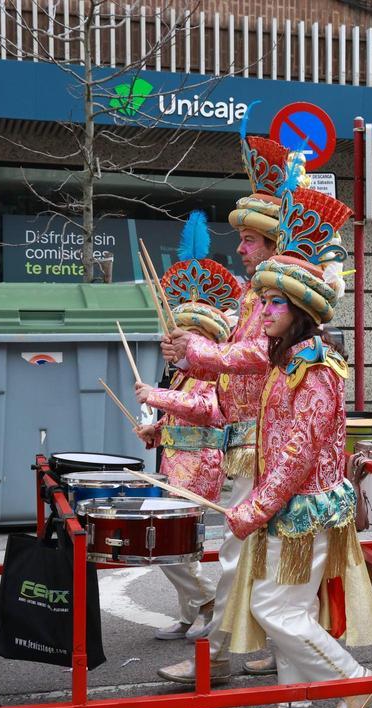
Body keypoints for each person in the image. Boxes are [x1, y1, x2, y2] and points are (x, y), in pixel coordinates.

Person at [221, 183, 372, 708]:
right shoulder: (284, 361)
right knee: (290, 608)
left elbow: (299, 451)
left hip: (302, 510)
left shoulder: (314, 370)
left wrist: (255, 508)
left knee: (276, 608)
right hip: (287, 509)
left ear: (300, 314)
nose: (262, 311)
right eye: (262, 300)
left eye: (275, 304)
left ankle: (352, 679)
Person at [156, 108, 300, 684]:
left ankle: (214, 657)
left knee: (241, 554)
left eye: (247, 240)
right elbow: (232, 373)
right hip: (246, 438)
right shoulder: (252, 296)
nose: (238, 249)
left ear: (271, 243)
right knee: (257, 555)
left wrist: (199, 356)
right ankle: (276, 648)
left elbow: (257, 357)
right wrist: (187, 372)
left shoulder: (276, 298)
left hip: (269, 443)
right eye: (239, 240)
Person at [133, 211, 239, 647]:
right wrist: (156, 429)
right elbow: (181, 412)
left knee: (175, 543)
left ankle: (207, 603)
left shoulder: (213, 370)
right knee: (175, 545)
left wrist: (156, 398)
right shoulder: (182, 371)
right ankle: (192, 608)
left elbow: (207, 410)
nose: (170, 344)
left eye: (179, 338)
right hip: (176, 460)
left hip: (202, 463)